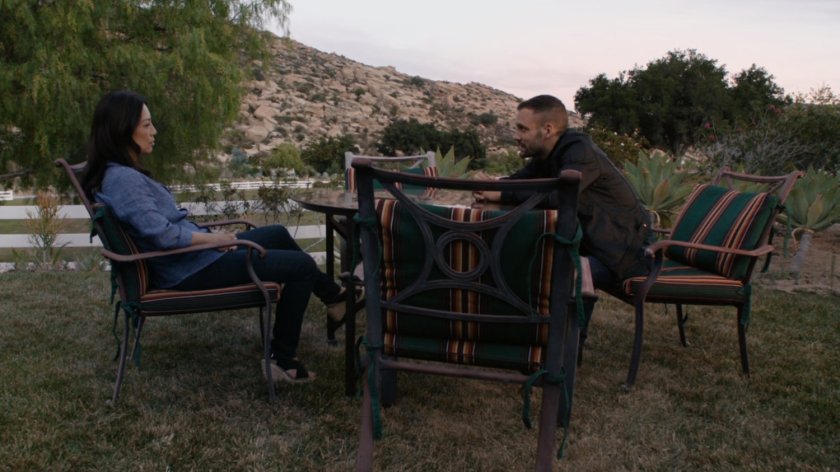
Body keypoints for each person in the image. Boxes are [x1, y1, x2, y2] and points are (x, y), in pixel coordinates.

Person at [82, 90, 352, 384]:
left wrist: (214, 237)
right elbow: (163, 236)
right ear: (122, 131)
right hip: (187, 269)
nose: (154, 131)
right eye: (147, 125)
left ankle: (334, 296)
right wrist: (219, 241)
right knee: (300, 266)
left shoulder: (121, 174)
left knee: (276, 233)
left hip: (190, 259)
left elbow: (164, 228)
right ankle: (282, 359)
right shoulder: (125, 180)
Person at [474, 94, 652, 295]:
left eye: (523, 129)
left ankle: (561, 326)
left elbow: (562, 197)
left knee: (546, 272)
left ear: (547, 130)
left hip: (626, 253)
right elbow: (521, 180)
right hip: (594, 246)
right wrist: (492, 186)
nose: (516, 136)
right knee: (525, 260)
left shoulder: (580, 153)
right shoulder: (549, 154)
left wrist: (501, 195)